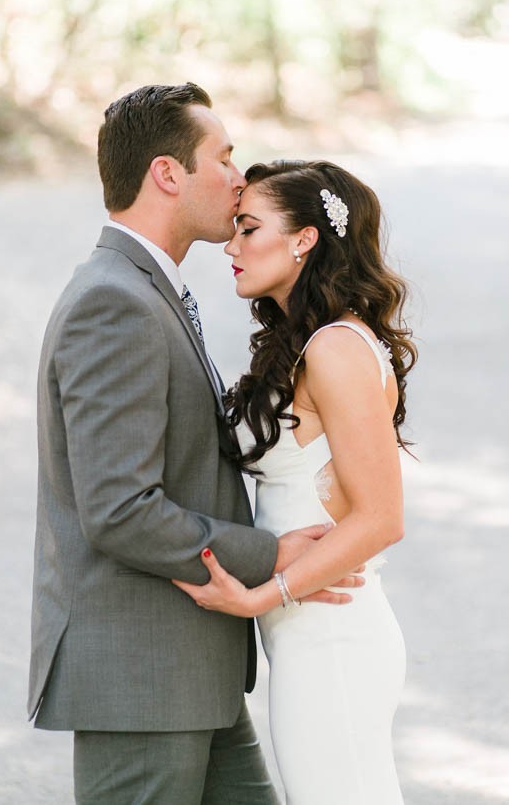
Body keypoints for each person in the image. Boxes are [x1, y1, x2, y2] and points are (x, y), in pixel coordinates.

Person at [28, 85, 363, 805]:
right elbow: (119, 508)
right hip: (141, 679)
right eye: (224, 157)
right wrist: (269, 556)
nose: (239, 178)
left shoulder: (151, 290)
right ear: (167, 174)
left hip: (189, 674)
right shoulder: (113, 301)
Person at [174, 159, 418, 804]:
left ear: (305, 238)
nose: (230, 245)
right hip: (309, 633)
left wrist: (262, 596)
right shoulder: (305, 341)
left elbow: (381, 516)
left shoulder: (336, 348)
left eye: (249, 228)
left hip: (330, 633)